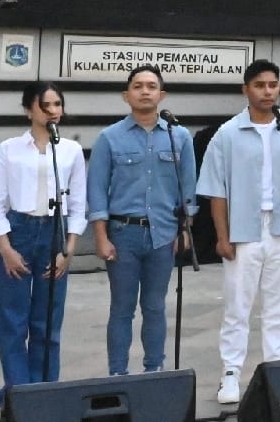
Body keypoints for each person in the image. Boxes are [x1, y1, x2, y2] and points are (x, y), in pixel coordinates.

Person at [198, 59, 280, 405]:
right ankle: (231, 374)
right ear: (246, 89)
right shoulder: (228, 133)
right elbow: (216, 190)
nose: (268, 91)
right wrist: (222, 237)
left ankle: (275, 370)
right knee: (238, 306)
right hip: (244, 229)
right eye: (260, 85)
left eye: (273, 85)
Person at [87, 65, 197, 380]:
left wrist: (184, 231)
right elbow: (97, 191)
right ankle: (118, 374)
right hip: (122, 235)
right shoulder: (109, 138)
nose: (145, 91)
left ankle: (154, 372)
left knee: (154, 306)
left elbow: (187, 189)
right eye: (138, 86)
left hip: (163, 234)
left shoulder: (179, 138)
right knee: (122, 308)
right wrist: (100, 236)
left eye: (151, 86)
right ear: (126, 95)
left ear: (162, 95)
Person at [0, 82, 87, 408]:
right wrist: (5, 246)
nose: (54, 111)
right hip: (19, 229)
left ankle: (45, 392)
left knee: (48, 319)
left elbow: (78, 203)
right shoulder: (9, 149)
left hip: (55, 232)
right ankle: (18, 394)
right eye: (46, 105)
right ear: (29, 108)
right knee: (13, 319)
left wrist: (68, 249)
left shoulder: (70, 150)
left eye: (58, 104)